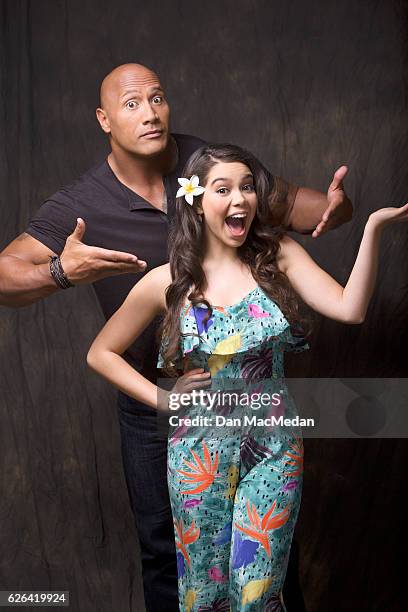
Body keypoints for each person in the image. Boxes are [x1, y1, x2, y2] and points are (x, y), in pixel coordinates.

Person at [0, 64, 353, 611]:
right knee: (170, 554)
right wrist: (60, 271)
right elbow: (5, 276)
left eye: (158, 98)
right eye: (132, 103)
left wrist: (338, 206)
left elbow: (303, 210)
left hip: (244, 399)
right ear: (104, 120)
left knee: (261, 554)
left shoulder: (206, 165)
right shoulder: (82, 203)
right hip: (155, 406)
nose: (150, 112)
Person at [86, 142, 407, 611]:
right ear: (196, 200)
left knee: (258, 590)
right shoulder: (169, 280)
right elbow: (101, 352)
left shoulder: (278, 254)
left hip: (275, 443)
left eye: (248, 187)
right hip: (199, 451)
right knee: (204, 591)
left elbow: (350, 308)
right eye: (224, 189)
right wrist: (163, 399)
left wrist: (374, 226)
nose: (240, 200)